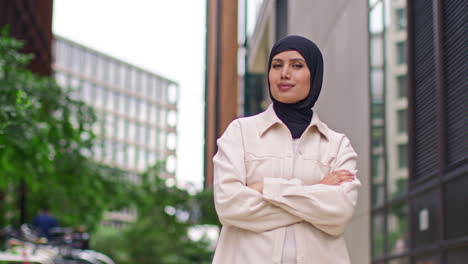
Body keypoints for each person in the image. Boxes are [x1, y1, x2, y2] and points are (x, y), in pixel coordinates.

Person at [212, 35, 361, 264]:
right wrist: (318, 190)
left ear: (314, 74)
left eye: (297, 65)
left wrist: (267, 188)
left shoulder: (337, 144)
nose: (284, 73)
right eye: (277, 65)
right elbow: (229, 206)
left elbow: (339, 211)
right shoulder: (240, 133)